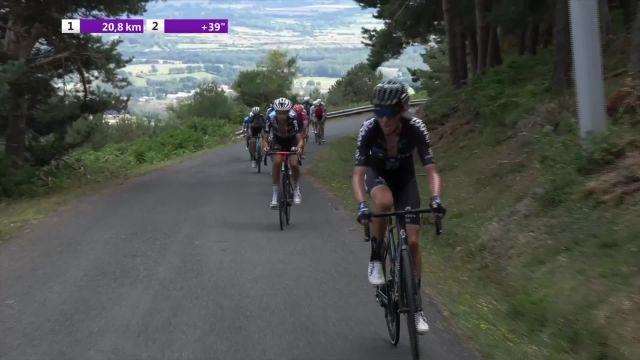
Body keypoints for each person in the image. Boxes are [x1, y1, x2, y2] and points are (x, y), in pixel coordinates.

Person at [352, 79, 446, 335]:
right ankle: (376, 256)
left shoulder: (416, 128)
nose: (384, 119)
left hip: (405, 180)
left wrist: (435, 198)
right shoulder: (368, 129)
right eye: (379, 112)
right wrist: (362, 205)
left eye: (390, 112)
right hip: (377, 175)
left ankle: (416, 307)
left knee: (413, 243)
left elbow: (431, 170)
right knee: (383, 202)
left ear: (402, 110)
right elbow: (358, 175)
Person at [263, 98, 305, 208]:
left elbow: (300, 139)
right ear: (275, 112)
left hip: (292, 140)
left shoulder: (294, 117)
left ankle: (296, 188)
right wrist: (266, 146)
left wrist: (299, 148)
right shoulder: (270, 117)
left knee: (294, 164)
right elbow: (265, 137)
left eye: (285, 113)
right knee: (277, 162)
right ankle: (275, 194)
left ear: (289, 112)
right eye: (279, 113)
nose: (282, 116)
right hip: (278, 140)